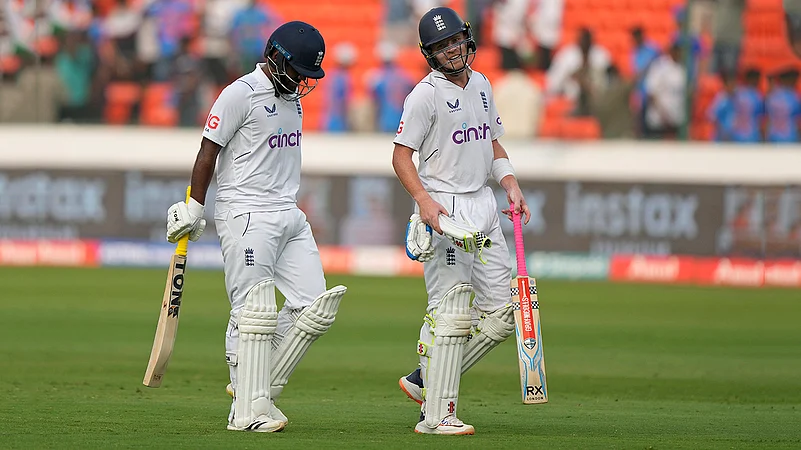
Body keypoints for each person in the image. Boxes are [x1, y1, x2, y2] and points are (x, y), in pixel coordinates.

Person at [165, 21, 347, 433]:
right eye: (298, 70)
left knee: (314, 307)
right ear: (276, 56)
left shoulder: (291, 98)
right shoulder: (239, 94)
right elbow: (207, 152)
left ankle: (253, 385)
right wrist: (195, 206)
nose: (302, 81)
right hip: (246, 213)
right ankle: (246, 409)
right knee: (251, 313)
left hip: (288, 211)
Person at [391, 6, 531, 436]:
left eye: (455, 41)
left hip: (484, 206)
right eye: (441, 46)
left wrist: (509, 182)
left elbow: (492, 144)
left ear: (467, 40)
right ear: (429, 54)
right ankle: (437, 414)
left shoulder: (484, 84)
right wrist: (423, 200)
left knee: (501, 316)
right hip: (446, 210)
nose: (451, 50)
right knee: (451, 314)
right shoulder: (424, 96)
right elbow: (401, 156)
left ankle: (425, 381)